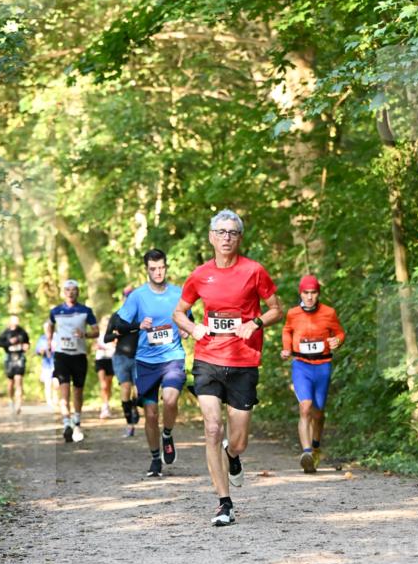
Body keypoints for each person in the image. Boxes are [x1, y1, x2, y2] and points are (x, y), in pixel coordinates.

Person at [173, 209, 282, 527]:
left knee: (239, 440)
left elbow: (277, 308)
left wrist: (256, 323)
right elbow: (179, 312)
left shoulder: (254, 271)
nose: (226, 237)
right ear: (211, 237)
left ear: (240, 238)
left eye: (232, 232)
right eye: (221, 232)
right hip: (208, 359)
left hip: (244, 361)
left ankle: (232, 456)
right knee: (211, 428)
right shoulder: (199, 275)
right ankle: (224, 504)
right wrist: (193, 330)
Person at [119, 251, 191, 476]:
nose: (158, 272)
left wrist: (185, 329)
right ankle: (154, 459)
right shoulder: (137, 296)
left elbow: (189, 322)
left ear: (166, 267)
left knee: (170, 401)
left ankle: (167, 434)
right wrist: (138, 325)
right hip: (146, 361)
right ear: (146, 269)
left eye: (161, 268)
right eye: (153, 269)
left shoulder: (179, 294)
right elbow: (120, 326)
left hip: (172, 357)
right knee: (150, 414)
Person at [281, 274, 345, 472]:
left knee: (318, 412)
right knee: (305, 406)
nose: (309, 297)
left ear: (318, 294)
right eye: (306, 293)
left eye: (313, 292)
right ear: (300, 293)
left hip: (323, 365)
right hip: (301, 365)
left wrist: (338, 341)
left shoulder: (329, 312)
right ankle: (306, 452)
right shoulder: (293, 313)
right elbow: (287, 330)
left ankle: (316, 447)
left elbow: (339, 332)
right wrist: (286, 348)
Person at [45, 279, 99, 443]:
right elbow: (50, 325)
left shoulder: (85, 311)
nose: (71, 292)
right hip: (62, 355)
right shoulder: (56, 311)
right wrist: (49, 341)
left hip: (79, 355)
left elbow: (96, 331)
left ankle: (77, 423)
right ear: (63, 292)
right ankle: (66, 423)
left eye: (74, 290)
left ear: (78, 292)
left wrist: (85, 335)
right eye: (67, 290)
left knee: (78, 391)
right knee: (64, 389)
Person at [104, 287, 140, 437]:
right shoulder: (117, 316)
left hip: (140, 357)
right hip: (121, 357)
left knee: (140, 392)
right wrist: (116, 335)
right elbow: (106, 338)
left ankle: (134, 406)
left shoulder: (143, 315)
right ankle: (129, 423)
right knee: (125, 388)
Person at [0, 314, 30, 414]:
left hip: (20, 358)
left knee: (19, 381)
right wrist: (9, 342)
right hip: (9, 358)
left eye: (17, 320)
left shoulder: (22, 332)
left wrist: (26, 346)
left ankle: (18, 404)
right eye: (14, 320)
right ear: (10, 321)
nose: (16, 322)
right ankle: (11, 400)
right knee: (10, 383)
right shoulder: (5, 333)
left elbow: (27, 343)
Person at [94, 315, 116, 419]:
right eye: (105, 323)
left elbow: (116, 345)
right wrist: (98, 347)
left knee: (108, 384)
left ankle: (107, 404)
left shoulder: (113, 334)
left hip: (111, 359)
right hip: (100, 360)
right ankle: (104, 406)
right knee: (103, 384)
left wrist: (108, 346)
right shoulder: (99, 335)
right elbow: (94, 346)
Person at [35, 327, 58, 408]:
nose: (47, 330)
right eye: (45, 329)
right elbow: (37, 350)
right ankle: (49, 401)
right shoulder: (42, 338)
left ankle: (56, 399)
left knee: (56, 383)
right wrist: (43, 350)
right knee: (47, 383)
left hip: (56, 363)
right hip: (46, 364)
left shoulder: (56, 337)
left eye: (48, 328)